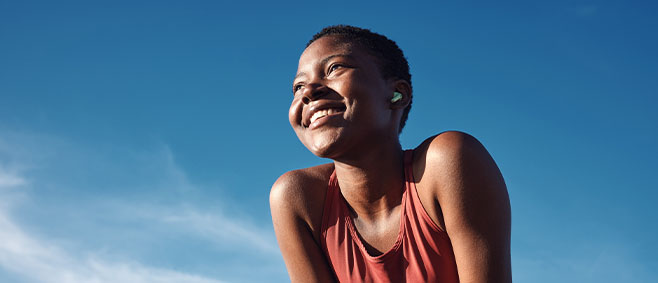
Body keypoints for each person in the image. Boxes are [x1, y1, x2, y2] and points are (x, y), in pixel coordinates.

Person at [270, 25, 511, 283]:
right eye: (298, 86)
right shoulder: (298, 199)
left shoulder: (447, 163)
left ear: (397, 95)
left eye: (334, 68)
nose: (308, 92)